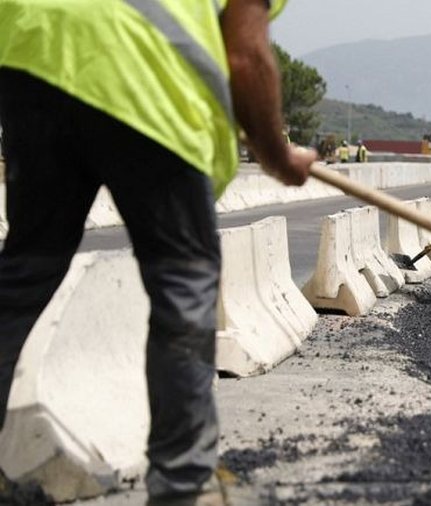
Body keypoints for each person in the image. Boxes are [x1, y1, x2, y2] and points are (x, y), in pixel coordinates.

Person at [0, 0, 316, 504]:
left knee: (24, 271)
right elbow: (246, 57)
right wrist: (278, 156)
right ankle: (183, 485)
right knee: (183, 280)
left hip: (33, 54)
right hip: (146, 77)